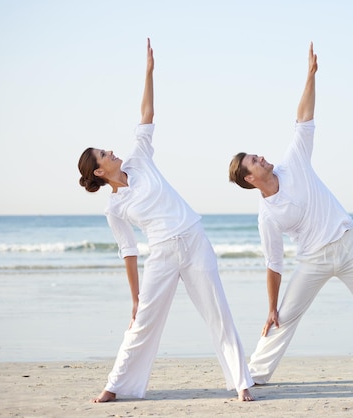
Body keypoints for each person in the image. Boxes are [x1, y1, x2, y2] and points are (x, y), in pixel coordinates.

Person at [228, 42, 353, 388]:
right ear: (249, 179)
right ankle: (255, 375)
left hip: (349, 245)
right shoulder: (268, 216)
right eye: (253, 162)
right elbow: (273, 263)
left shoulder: (294, 162)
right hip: (313, 261)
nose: (261, 158)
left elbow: (303, 120)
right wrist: (272, 306)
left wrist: (310, 76)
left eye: (257, 155)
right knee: (285, 317)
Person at [78, 39, 254, 403]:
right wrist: (135, 296)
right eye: (104, 153)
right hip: (161, 254)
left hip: (193, 239)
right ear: (99, 170)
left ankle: (242, 382)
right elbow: (128, 251)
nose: (112, 151)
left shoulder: (139, 158)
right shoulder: (114, 208)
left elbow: (146, 114)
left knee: (217, 312)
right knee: (142, 322)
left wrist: (148, 72)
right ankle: (115, 385)